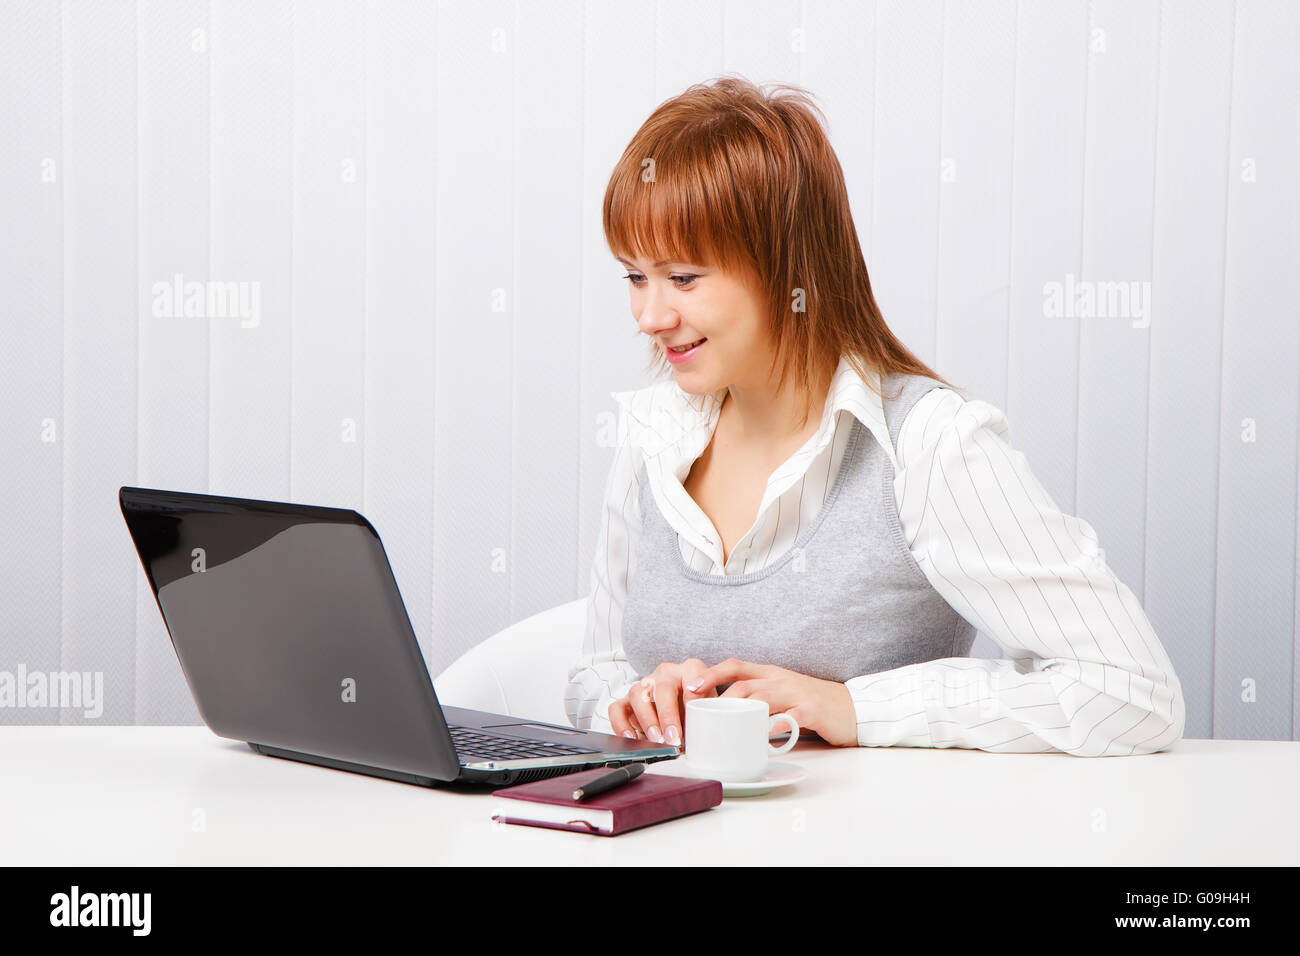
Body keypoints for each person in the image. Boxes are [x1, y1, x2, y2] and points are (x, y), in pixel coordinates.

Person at [564, 75, 1184, 757]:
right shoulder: (653, 436)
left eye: (683, 279)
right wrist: (637, 704)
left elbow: (1133, 691)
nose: (651, 317)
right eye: (634, 277)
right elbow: (595, 675)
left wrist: (854, 707)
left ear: (789, 269)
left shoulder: (929, 445)